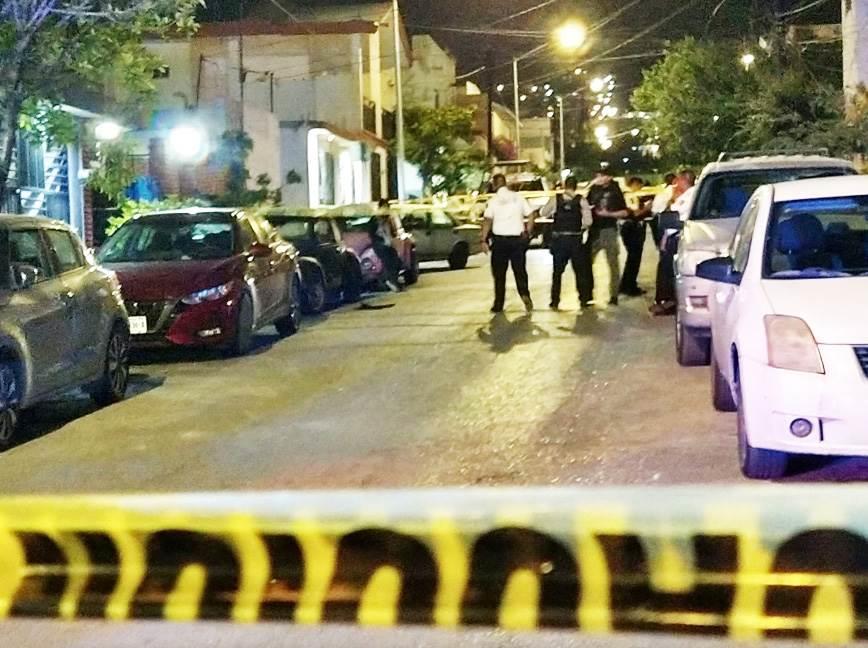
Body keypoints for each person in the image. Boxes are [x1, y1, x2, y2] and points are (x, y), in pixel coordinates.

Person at [480, 174, 534, 313]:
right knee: (520, 271)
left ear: (494, 185)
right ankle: (524, 294)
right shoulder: (518, 197)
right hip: (517, 241)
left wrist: (483, 240)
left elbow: (487, 220)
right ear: (505, 183)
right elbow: (531, 215)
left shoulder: (493, 201)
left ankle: (498, 304)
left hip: (500, 242)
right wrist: (528, 232)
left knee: (499, 274)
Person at [539, 176, 593, 310]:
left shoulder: (556, 199)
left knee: (557, 273)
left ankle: (555, 300)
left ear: (564, 185)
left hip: (559, 240)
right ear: (576, 186)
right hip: (575, 240)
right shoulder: (581, 200)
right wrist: (581, 228)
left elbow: (543, 213)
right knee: (579, 271)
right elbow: (588, 221)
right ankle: (583, 299)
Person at [650, 169, 696, 316]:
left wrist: (672, 200)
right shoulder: (684, 195)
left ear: (684, 180)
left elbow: (674, 214)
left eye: (679, 180)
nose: (676, 183)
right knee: (666, 269)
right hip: (672, 235)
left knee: (668, 270)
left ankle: (668, 302)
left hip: (678, 236)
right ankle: (666, 300)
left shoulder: (691, 196)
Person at [586, 168, 630, 306]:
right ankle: (587, 293)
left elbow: (624, 212)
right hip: (594, 230)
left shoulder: (615, 191)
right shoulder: (593, 189)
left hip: (608, 230)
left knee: (612, 263)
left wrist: (609, 214)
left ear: (609, 177)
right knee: (586, 263)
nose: (599, 178)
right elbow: (585, 205)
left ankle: (614, 294)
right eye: (598, 175)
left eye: (602, 176)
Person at [619, 176, 653, 297]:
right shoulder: (630, 196)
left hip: (631, 227)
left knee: (632, 258)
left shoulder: (630, 195)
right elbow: (635, 213)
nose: (640, 188)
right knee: (634, 258)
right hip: (632, 227)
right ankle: (629, 286)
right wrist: (646, 209)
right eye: (639, 185)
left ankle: (626, 284)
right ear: (634, 184)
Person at [372, 199, 401, 292]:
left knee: (396, 261)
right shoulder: (375, 219)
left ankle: (392, 281)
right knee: (388, 261)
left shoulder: (388, 219)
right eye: (384, 207)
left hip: (388, 244)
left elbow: (393, 231)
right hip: (380, 244)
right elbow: (373, 233)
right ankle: (388, 280)